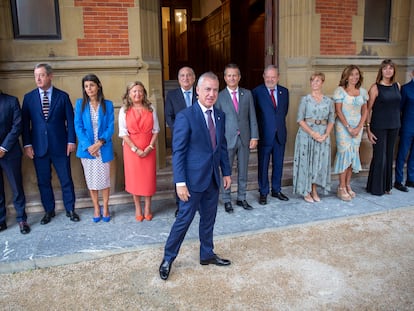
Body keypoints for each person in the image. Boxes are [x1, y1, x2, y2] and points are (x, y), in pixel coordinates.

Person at [159, 72, 232, 281]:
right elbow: (178, 152)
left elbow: (222, 147)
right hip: (191, 182)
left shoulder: (220, 115)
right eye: (207, 89)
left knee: (209, 220)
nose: (211, 94)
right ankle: (168, 258)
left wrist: (226, 172)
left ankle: (207, 254)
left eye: (215, 90)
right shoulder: (185, 116)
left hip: (212, 179)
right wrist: (179, 182)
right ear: (197, 91)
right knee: (183, 221)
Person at [22, 63, 79, 224]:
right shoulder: (29, 98)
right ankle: (49, 210)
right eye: (36, 76)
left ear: (50, 76)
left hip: (60, 146)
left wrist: (71, 140)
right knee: (43, 181)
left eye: (41, 75)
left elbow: (70, 120)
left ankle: (70, 209)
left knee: (66, 178)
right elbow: (25, 124)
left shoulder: (62, 96)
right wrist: (27, 145)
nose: (38, 79)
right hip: (38, 147)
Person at [215, 63, 259, 213]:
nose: (232, 78)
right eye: (229, 75)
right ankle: (227, 199)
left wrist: (254, 136)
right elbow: (217, 122)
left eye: (235, 75)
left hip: (245, 138)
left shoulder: (247, 94)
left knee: (243, 169)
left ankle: (241, 197)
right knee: (226, 171)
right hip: (227, 139)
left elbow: (252, 116)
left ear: (239, 77)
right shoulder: (219, 97)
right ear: (225, 77)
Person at [74, 74, 114, 222]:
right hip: (88, 150)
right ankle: (96, 207)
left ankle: (106, 206)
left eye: (91, 85)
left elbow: (110, 126)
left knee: (105, 180)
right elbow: (78, 126)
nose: (89, 89)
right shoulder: (80, 104)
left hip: (103, 148)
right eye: (86, 86)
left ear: (98, 86)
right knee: (91, 180)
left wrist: (99, 143)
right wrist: (89, 146)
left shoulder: (107, 104)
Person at [119, 81, 159, 221]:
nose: (137, 94)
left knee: (147, 179)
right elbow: (123, 133)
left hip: (149, 149)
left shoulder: (151, 108)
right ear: (129, 94)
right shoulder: (124, 110)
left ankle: (148, 206)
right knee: (134, 179)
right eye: (134, 91)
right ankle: (137, 207)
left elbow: (156, 131)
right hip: (131, 151)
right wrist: (135, 149)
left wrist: (149, 147)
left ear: (144, 93)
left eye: (140, 91)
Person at [292, 72, 335, 203]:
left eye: (317, 81)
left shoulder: (328, 101)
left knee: (317, 164)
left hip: (322, 134)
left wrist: (326, 135)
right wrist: (312, 133)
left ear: (322, 82)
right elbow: (300, 119)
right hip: (307, 135)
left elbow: (331, 120)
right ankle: (306, 191)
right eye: (312, 81)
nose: (315, 83)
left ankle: (314, 189)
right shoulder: (305, 100)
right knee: (307, 164)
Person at [252, 65, 289, 205]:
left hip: (280, 134)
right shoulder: (256, 92)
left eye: (273, 77)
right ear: (263, 76)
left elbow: (283, 112)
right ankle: (263, 192)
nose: (270, 79)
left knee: (278, 164)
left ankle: (276, 190)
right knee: (263, 165)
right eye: (267, 77)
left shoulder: (284, 92)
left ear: (278, 77)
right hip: (264, 135)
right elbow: (254, 115)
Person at [164, 66, 197, 217]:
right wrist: (180, 131)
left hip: (198, 139)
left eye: (189, 75)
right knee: (180, 170)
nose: (186, 78)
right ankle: (180, 205)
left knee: (196, 171)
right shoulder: (172, 95)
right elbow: (169, 116)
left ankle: (195, 201)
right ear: (178, 79)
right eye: (182, 76)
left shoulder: (200, 93)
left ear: (194, 78)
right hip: (180, 139)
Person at [332, 65, 368, 201]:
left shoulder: (363, 92)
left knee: (352, 155)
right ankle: (341, 187)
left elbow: (365, 111)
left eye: (357, 74)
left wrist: (360, 127)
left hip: (357, 127)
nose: (354, 77)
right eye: (352, 74)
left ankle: (347, 185)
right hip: (343, 127)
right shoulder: (340, 91)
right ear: (346, 76)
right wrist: (348, 127)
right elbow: (338, 111)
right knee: (344, 155)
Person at [366, 59, 401, 196]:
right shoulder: (375, 88)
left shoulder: (397, 86)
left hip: (394, 125)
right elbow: (368, 110)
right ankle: (375, 188)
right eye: (385, 68)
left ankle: (387, 187)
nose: (388, 71)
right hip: (378, 126)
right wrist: (367, 129)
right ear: (381, 71)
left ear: (394, 71)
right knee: (380, 156)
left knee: (389, 155)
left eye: (390, 68)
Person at [0, 91, 30, 234]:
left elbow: (17, 126)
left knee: (16, 187)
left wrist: (3, 147)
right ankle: (1, 221)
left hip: (10, 152)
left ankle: (21, 219)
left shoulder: (11, 100)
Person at [394, 68, 414, 192]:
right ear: (412, 74)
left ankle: (411, 179)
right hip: (407, 126)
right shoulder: (406, 89)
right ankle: (398, 180)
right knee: (402, 154)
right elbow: (399, 109)